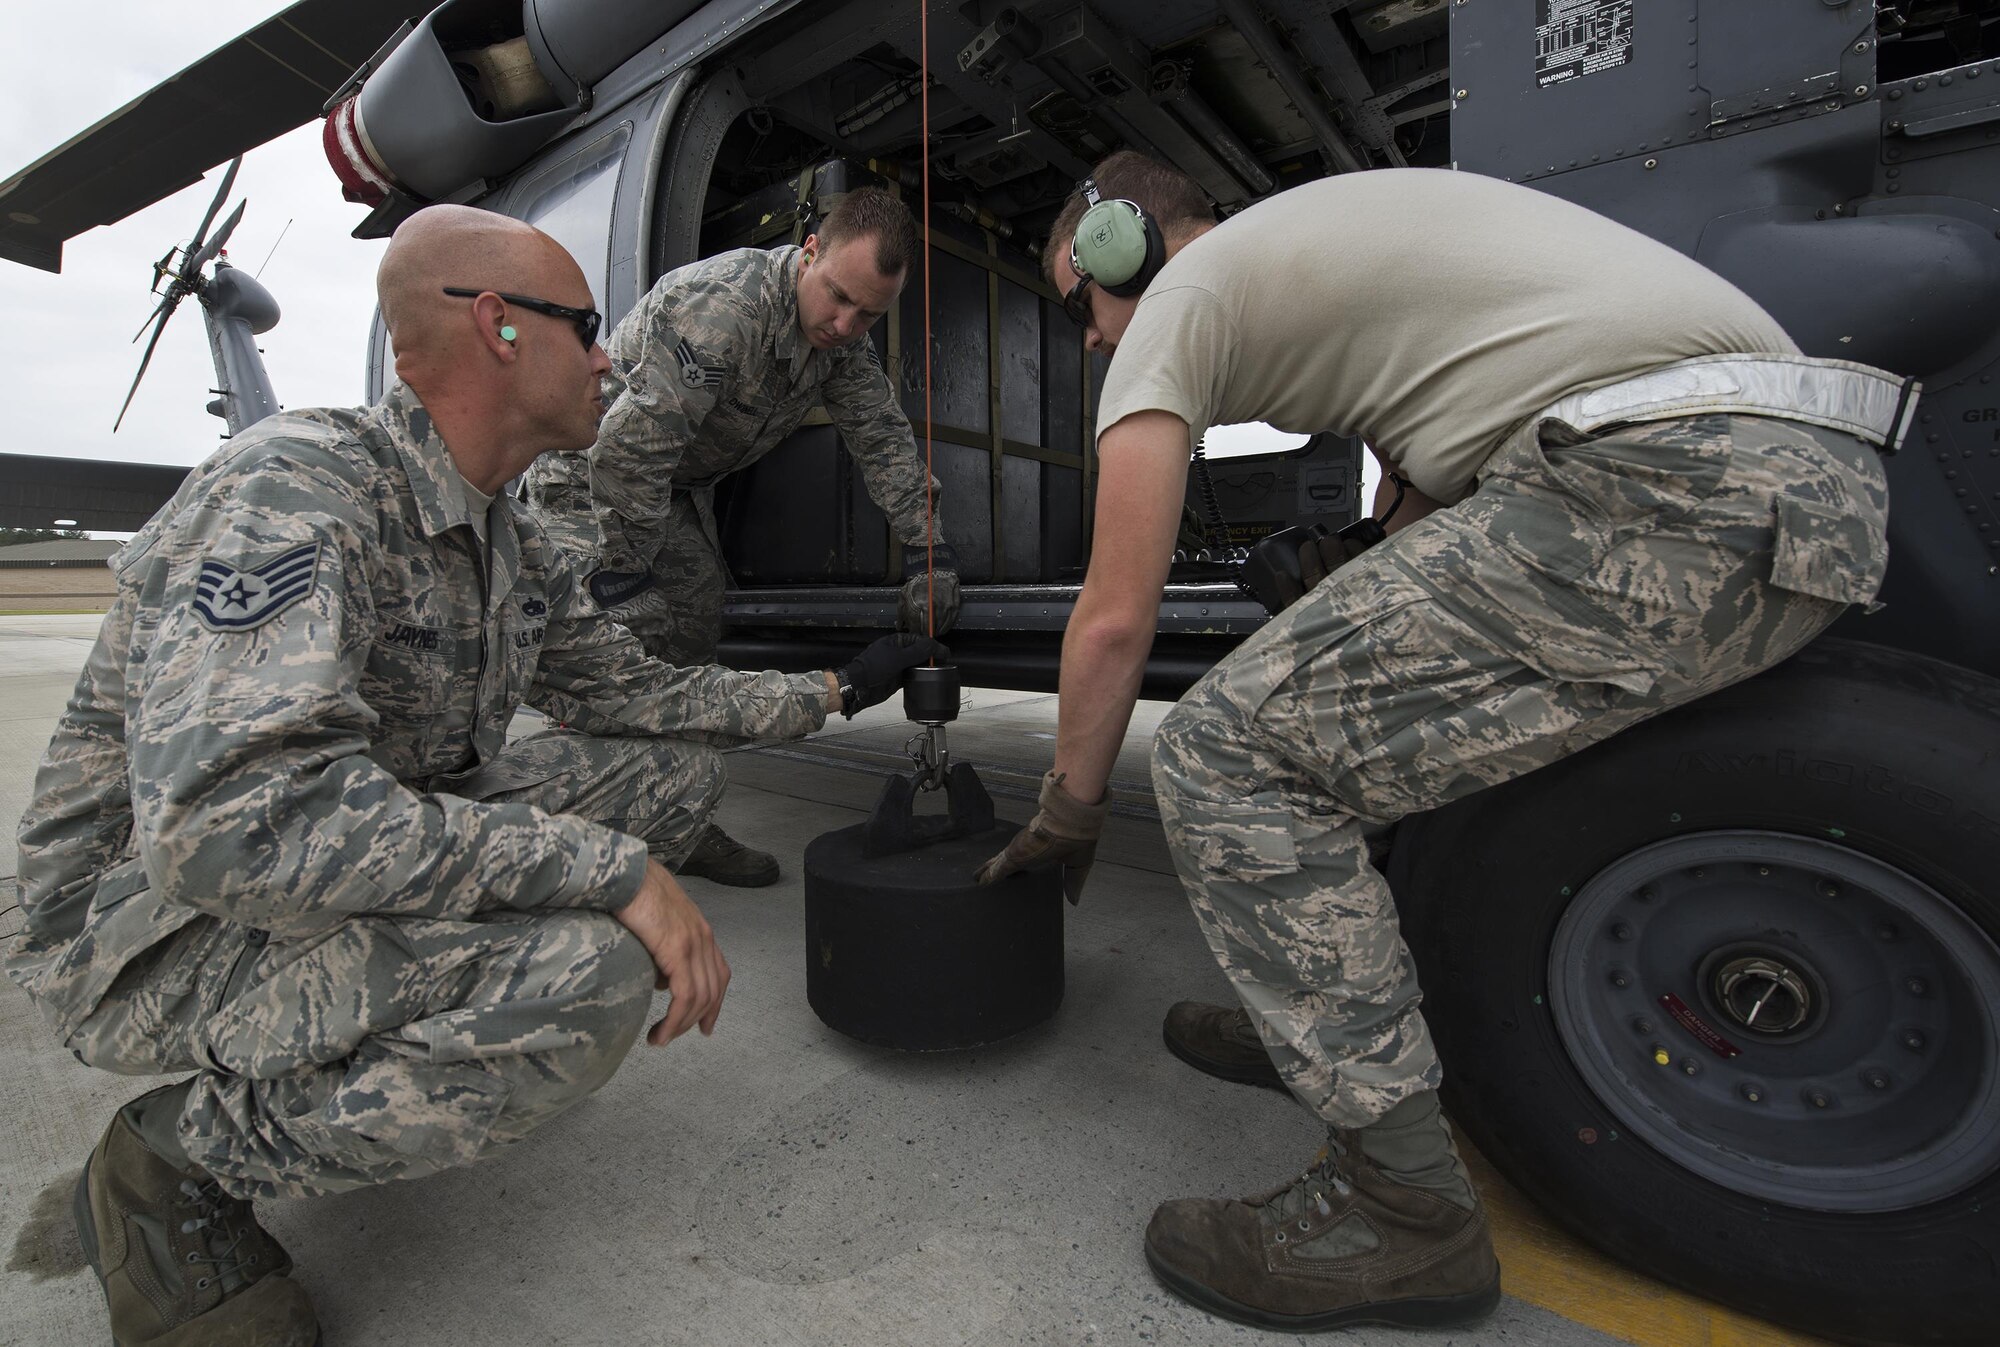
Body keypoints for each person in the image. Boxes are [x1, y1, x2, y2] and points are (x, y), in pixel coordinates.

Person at [978, 153, 1901, 1331]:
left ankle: (1403, 1214)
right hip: (1773, 478)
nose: (1090, 339)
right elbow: (1430, 470)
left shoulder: (1182, 299)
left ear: (1122, 246)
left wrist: (1070, 805)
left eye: (1077, 303)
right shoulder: (1317, 251)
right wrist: (1359, 562)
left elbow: (1113, 618)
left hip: (1671, 479)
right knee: (1361, 719)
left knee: (1224, 753)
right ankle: (1317, 1019)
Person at [7, 204, 942, 1347]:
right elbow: (233, 828)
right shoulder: (302, 489)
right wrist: (602, 871)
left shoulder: (511, 538)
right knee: (586, 980)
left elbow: (641, 696)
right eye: (586, 327)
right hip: (149, 927)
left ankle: (410, 1018)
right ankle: (174, 1165)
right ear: (499, 328)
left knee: (672, 779)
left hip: (343, 849)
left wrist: (837, 691)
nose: (609, 357)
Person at [524, 185, 958, 888]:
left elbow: (881, 438)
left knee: (693, 624)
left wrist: (928, 552)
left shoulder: (841, 347)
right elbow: (627, 453)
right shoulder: (725, 309)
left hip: (666, 488)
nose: (846, 324)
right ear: (809, 252)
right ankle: (573, 829)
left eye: (868, 314)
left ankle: (674, 818)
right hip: (591, 480)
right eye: (839, 298)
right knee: (615, 648)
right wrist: (621, 579)